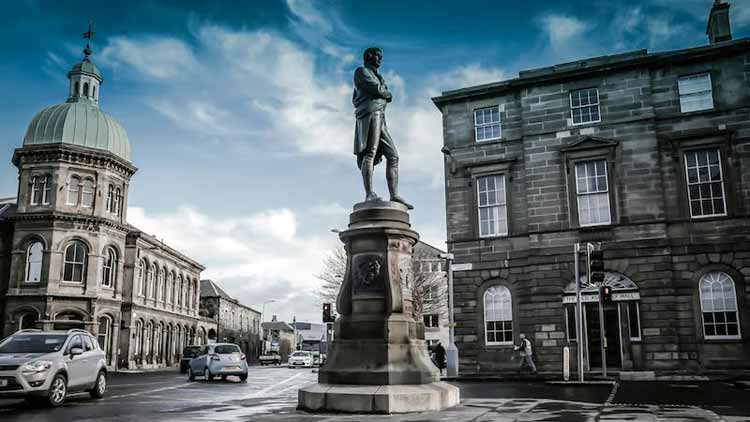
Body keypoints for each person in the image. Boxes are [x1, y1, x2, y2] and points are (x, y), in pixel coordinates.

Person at [352, 47, 413, 209]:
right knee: (370, 153)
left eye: (381, 57)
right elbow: (378, 90)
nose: (380, 59)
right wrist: (385, 93)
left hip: (380, 114)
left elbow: (381, 91)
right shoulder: (361, 71)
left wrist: (384, 92)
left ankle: (394, 194)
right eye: (377, 56)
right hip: (372, 113)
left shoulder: (377, 75)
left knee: (393, 156)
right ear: (368, 56)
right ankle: (369, 193)